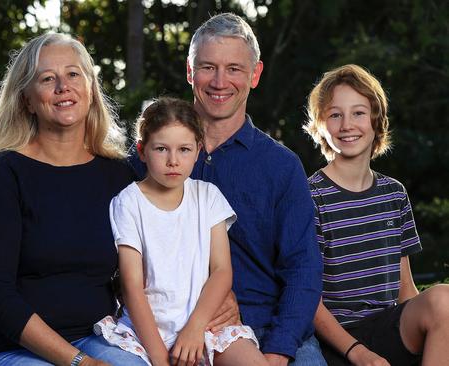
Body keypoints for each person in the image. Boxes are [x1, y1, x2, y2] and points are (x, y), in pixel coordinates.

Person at [129, 13, 324, 365]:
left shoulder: (281, 167)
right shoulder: (147, 158)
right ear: (190, 72)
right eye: (208, 67)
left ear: (255, 75)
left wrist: (279, 351)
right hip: (170, 329)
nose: (220, 81)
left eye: (234, 69)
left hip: (267, 329)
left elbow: (303, 269)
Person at [0, 33, 149, 366]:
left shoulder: (119, 176)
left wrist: (220, 299)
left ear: (90, 89)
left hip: (98, 337)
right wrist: (78, 362)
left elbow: (155, 264)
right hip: (12, 349)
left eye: (73, 74)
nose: (63, 87)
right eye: (47, 78)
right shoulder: (2, 176)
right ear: (27, 99)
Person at [94, 97, 267, 366]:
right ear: (141, 151)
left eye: (184, 149)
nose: (173, 161)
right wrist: (160, 358)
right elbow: (132, 287)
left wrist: (195, 328)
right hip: (146, 332)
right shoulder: (128, 202)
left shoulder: (208, 196)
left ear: (198, 150)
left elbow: (222, 271)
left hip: (203, 324)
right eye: (161, 149)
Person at [304, 64, 449, 366]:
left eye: (358, 113)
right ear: (320, 125)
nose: (347, 125)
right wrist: (359, 353)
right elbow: (309, 302)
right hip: (337, 342)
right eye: (335, 115)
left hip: (388, 330)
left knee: (444, 300)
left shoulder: (394, 194)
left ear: (376, 120)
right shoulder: (310, 197)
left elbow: (405, 290)